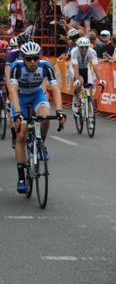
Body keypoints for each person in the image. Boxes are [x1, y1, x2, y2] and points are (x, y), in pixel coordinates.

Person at [9, 42, 66, 193]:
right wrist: (18, 114)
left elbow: (55, 89)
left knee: (45, 117)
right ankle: (21, 178)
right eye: (29, 59)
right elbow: (13, 90)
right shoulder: (16, 67)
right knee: (21, 133)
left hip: (36, 95)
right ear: (23, 58)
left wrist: (59, 111)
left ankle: (40, 144)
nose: (33, 62)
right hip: (20, 97)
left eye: (35, 58)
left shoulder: (46, 66)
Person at [70, 37, 106, 117]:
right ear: (78, 47)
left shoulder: (92, 52)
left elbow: (95, 66)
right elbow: (75, 67)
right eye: (82, 47)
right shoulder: (74, 51)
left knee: (89, 90)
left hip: (85, 68)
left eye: (86, 47)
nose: (84, 49)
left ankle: (90, 116)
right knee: (80, 81)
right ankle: (76, 98)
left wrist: (100, 79)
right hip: (74, 68)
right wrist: (77, 80)